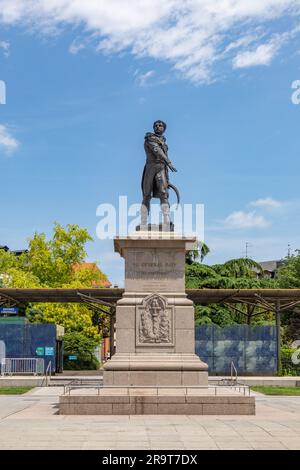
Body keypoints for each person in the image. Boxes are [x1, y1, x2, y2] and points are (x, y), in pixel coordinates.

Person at [141, 120, 177, 227]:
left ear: (164, 129)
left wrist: (167, 168)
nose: (158, 127)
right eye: (156, 125)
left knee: (164, 194)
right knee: (147, 195)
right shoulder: (150, 138)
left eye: (160, 126)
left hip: (161, 169)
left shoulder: (163, 142)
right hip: (151, 167)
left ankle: (166, 218)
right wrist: (169, 162)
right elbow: (157, 151)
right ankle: (143, 221)